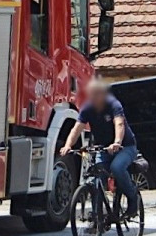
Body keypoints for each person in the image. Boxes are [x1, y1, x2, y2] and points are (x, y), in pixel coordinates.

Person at [60, 78, 140, 217]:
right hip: (103, 148)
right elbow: (76, 128)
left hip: (125, 147)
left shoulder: (113, 105)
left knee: (117, 167)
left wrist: (117, 142)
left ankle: (133, 198)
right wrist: (68, 145)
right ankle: (97, 217)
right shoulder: (87, 108)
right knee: (96, 175)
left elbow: (119, 124)